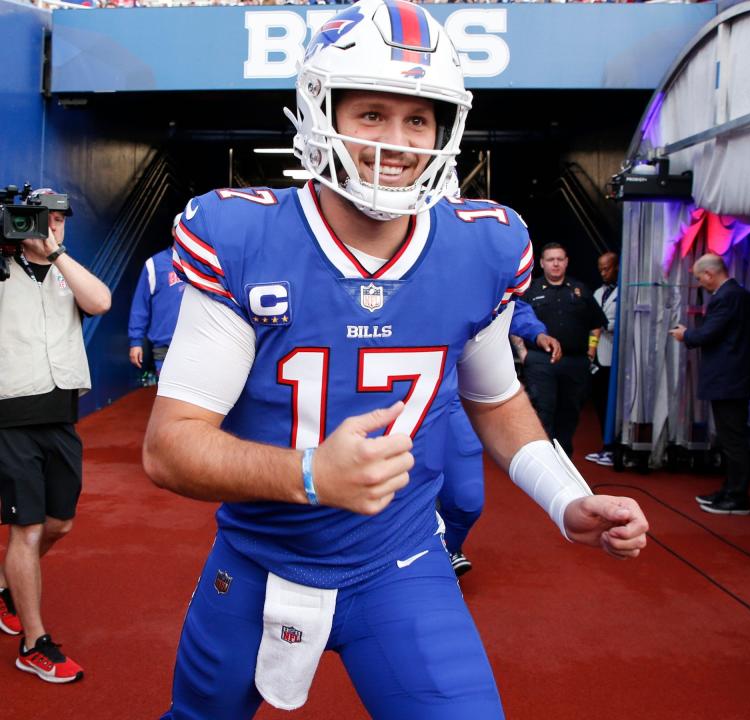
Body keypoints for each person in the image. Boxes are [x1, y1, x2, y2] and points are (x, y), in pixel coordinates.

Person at [141, 3, 648, 717]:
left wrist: (566, 499)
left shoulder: (482, 246)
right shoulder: (244, 234)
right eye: (372, 113)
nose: (398, 141)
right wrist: (312, 474)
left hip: (401, 565)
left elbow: (497, 400)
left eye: (418, 119)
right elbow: (170, 448)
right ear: (321, 114)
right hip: (258, 559)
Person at [0, 188, 111, 683]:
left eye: (58, 221)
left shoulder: (68, 271)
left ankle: (8, 586)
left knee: (59, 523)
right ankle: (34, 642)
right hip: (9, 415)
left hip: (60, 413)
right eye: (38, 220)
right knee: (24, 530)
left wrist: (57, 253)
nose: (49, 228)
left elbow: (102, 301)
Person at [440, 299, 560, 577]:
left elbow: (504, 301)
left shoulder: (470, 263)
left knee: (465, 500)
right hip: (366, 400)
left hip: (446, 393)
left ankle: (446, 548)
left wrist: (536, 332)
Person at [669, 253, 750, 515]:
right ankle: (730, 489)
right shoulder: (736, 295)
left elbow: (709, 334)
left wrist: (686, 334)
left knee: (732, 439)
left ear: (710, 274)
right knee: (730, 437)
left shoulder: (727, 297)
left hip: (730, 380)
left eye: (699, 278)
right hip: (733, 379)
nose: (700, 283)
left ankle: (737, 496)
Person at [520, 242, 607, 457]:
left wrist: (591, 352)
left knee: (570, 412)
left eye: (560, 259)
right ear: (541, 263)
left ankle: (564, 459)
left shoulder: (580, 290)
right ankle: (545, 460)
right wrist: (522, 353)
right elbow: (515, 322)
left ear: (567, 262)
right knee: (543, 410)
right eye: (551, 259)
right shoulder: (530, 291)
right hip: (541, 361)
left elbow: (596, 324)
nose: (555, 264)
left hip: (575, 362)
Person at [127, 213, 187, 377]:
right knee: (168, 396)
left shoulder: (203, 263)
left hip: (197, 344)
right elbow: (140, 306)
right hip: (164, 346)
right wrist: (135, 342)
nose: (183, 233)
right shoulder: (154, 264)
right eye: (179, 229)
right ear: (173, 232)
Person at [585, 251, 619, 467]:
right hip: (600, 356)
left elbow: (616, 322)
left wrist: (604, 323)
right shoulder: (598, 292)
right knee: (600, 403)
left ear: (617, 267)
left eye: (607, 268)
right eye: (600, 269)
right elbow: (592, 321)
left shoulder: (625, 292)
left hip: (618, 358)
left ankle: (614, 448)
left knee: (613, 405)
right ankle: (606, 446)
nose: (603, 272)